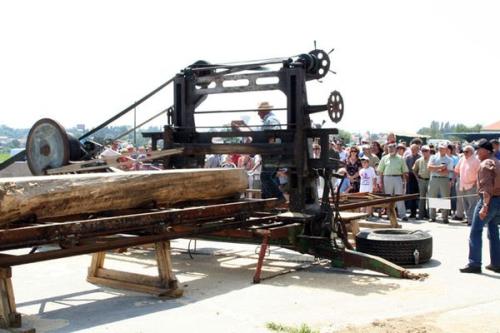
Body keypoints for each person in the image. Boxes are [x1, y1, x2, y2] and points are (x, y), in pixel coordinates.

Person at [460, 139, 500, 273]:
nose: (477, 151)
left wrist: (484, 205)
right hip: (498, 200)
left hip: (488, 200)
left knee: (475, 232)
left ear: (487, 150)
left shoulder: (484, 164)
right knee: (493, 232)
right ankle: (496, 263)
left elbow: (487, 188)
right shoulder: (497, 162)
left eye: (479, 149)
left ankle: (475, 264)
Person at [377, 143, 409, 221]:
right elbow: (380, 171)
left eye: (392, 147)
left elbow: (404, 172)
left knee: (399, 197)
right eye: (389, 148)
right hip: (387, 178)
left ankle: (402, 215)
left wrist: (405, 183)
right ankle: (389, 214)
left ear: (396, 149)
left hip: (398, 178)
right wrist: (380, 182)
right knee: (388, 197)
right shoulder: (384, 158)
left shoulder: (401, 158)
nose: (391, 149)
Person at [427, 143, 454, 223]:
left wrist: (435, 169)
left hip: (444, 179)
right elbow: (429, 167)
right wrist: (440, 168)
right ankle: (432, 216)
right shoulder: (433, 157)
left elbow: (446, 172)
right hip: (434, 179)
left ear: (446, 149)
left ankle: (445, 217)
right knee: (432, 197)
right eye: (439, 148)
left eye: (443, 148)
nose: (441, 149)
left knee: (445, 198)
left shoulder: (449, 159)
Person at [454, 145, 480, 226]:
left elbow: (480, 173)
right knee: (465, 204)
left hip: (472, 185)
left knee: (473, 204)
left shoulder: (477, 160)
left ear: (471, 152)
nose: (464, 153)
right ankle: (468, 218)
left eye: (466, 151)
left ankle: (472, 220)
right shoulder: (462, 159)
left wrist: (476, 183)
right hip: (463, 185)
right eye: (464, 151)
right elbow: (456, 169)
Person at [413, 145, 431, 219]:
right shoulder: (418, 160)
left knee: (430, 198)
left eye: (426, 151)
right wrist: (417, 178)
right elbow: (414, 170)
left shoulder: (432, 159)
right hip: (422, 180)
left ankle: (430, 215)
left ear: (429, 151)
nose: (424, 152)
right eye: (423, 150)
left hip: (430, 180)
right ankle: (421, 215)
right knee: (422, 198)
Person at [405, 144, 421, 218]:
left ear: (418, 150)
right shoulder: (408, 158)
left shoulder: (420, 158)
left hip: (419, 177)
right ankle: (412, 212)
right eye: (412, 149)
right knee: (411, 195)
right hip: (410, 177)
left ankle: (422, 212)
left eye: (415, 149)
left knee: (420, 195)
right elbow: (406, 169)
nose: (413, 151)